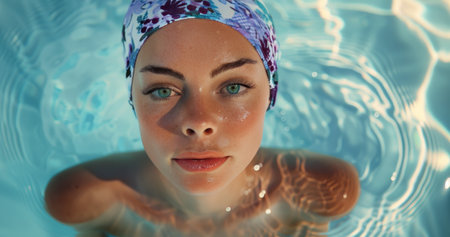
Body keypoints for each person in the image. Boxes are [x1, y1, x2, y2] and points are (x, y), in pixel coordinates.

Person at [44, 0, 360, 236]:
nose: (198, 121)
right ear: (132, 100)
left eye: (233, 86)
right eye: (162, 90)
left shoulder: (321, 190)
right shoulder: (85, 199)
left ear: (270, 94)